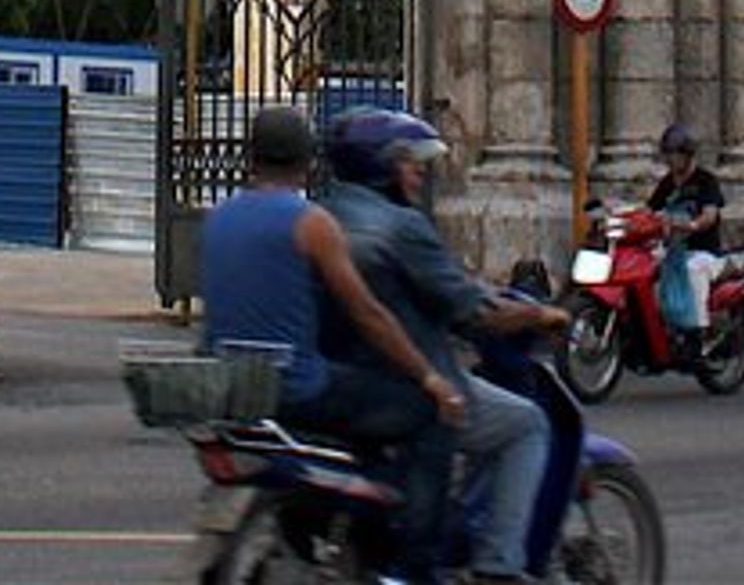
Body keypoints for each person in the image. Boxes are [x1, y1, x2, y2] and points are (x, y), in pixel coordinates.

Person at [196, 102, 465, 566]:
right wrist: (430, 379)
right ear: (307, 161)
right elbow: (367, 314)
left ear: (250, 158)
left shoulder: (218, 218)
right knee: (428, 414)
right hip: (299, 390)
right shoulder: (312, 223)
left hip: (234, 388)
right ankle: (416, 561)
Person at [322, 107, 565, 584]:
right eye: (409, 160)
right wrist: (541, 313)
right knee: (527, 424)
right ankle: (499, 565)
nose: (418, 170)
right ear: (383, 165)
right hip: (409, 382)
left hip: (338, 379)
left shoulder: (321, 215)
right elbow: (474, 310)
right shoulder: (403, 226)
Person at [643, 120, 726, 344]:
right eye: (667, 153)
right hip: (672, 250)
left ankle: (697, 332)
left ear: (688, 155)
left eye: (675, 153)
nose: (670, 158)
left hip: (702, 251)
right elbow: (648, 211)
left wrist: (692, 225)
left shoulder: (706, 181)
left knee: (692, 271)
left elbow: (710, 215)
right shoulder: (667, 184)